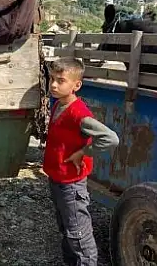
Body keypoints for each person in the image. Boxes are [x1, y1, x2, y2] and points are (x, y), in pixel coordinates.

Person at [44, 57, 119, 266]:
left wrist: (84, 152)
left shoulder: (79, 114)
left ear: (76, 85)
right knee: (67, 230)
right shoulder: (59, 104)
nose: (54, 85)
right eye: (52, 79)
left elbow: (111, 138)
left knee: (79, 237)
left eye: (60, 80)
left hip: (71, 185)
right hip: (58, 179)